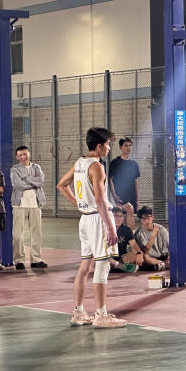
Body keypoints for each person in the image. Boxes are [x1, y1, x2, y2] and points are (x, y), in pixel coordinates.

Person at [56, 127, 126, 328]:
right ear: (99, 146)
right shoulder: (97, 167)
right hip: (98, 219)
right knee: (102, 265)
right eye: (108, 144)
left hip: (85, 219)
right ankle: (101, 315)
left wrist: (80, 204)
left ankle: (78, 312)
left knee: (85, 266)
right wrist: (110, 228)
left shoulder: (80, 162)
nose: (109, 148)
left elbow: (61, 185)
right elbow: (100, 200)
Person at [10, 145, 47, 270]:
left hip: (35, 204)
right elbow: (17, 184)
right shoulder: (14, 169)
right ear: (17, 157)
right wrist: (33, 182)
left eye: (25, 154)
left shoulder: (36, 167)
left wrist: (26, 179)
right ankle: (19, 260)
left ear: (29, 154)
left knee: (37, 233)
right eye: (20, 155)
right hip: (19, 204)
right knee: (17, 234)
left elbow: (40, 181)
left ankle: (36, 259)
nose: (23, 157)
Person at [109, 137, 140, 217]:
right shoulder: (115, 163)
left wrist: (137, 198)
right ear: (120, 147)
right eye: (126, 145)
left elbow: (136, 181)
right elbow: (110, 180)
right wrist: (114, 196)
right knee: (122, 216)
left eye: (130, 145)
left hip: (132, 195)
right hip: (120, 195)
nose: (128, 147)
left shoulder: (134, 164)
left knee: (131, 215)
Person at [134, 205, 170, 270]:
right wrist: (153, 235)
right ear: (141, 220)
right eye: (143, 218)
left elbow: (170, 245)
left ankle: (161, 265)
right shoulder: (138, 234)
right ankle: (162, 264)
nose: (146, 220)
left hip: (162, 256)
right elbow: (144, 251)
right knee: (144, 257)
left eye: (148, 218)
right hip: (149, 257)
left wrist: (169, 258)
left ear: (152, 217)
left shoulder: (161, 229)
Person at [109, 206, 143, 273]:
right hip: (109, 258)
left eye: (121, 216)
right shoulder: (104, 229)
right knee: (102, 257)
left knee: (137, 254)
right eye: (116, 216)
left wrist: (139, 254)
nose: (119, 218)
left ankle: (116, 266)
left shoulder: (126, 229)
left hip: (121, 258)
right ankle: (121, 267)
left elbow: (133, 244)